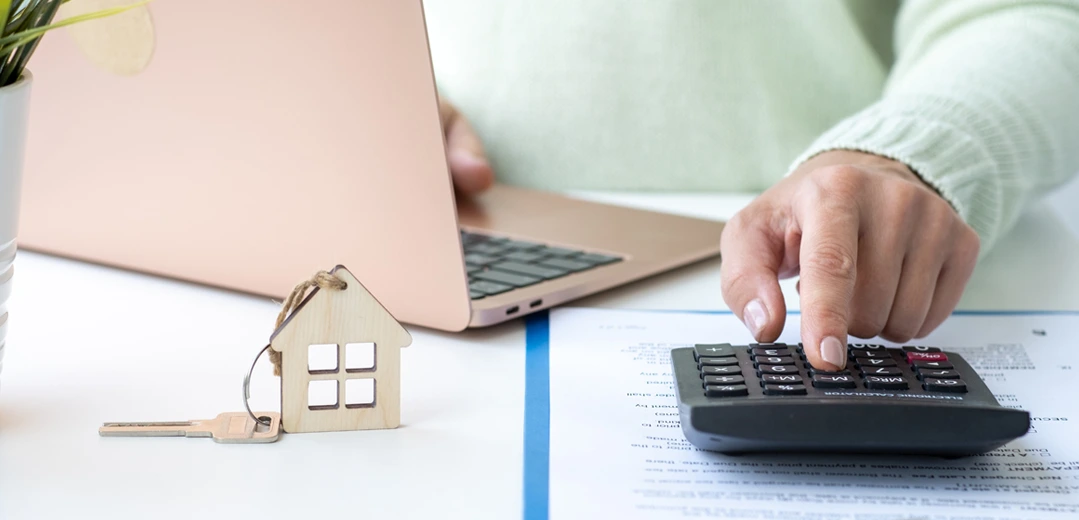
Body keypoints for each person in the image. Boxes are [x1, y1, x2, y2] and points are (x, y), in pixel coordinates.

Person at [422, 0, 1079, 371]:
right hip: (452, 242)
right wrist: (376, 97)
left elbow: (1033, 15)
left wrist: (902, 153)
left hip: (838, 256)